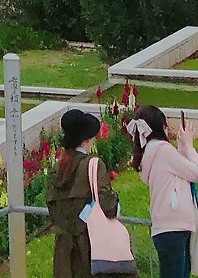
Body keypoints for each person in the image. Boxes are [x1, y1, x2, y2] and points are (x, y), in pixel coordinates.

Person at [128, 106, 198, 278]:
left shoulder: (151, 152)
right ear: (161, 127)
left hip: (167, 227)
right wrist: (189, 147)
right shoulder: (163, 151)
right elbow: (197, 174)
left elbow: (178, 169)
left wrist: (182, 148)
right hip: (174, 228)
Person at [47, 109, 119, 278]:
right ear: (86, 139)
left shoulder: (57, 169)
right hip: (91, 247)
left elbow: (52, 208)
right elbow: (108, 206)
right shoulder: (93, 165)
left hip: (63, 252)